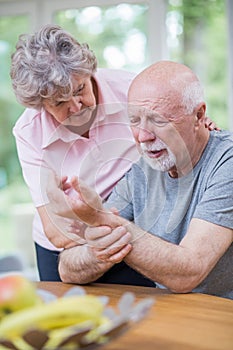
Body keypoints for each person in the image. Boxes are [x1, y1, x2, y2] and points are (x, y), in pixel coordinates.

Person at [11, 24, 217, 285]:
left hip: (131, 217)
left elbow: (184, 128)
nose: (76, 107)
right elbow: (55, 230)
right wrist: (101, 224)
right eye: (60, 103)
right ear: (41, 105)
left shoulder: (130, 88)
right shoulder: (29, 132)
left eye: (80, 90)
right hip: (72, 238)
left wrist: (199, 128)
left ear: (88, 73)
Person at [52, 61, 233, 299]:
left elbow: (190, 271)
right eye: (134, 120)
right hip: (174, 314)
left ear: (199, 115)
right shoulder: (142, 171)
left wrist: (99, 218)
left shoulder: (225, 161)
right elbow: (67, 268)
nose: (142, 136)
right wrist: (98, 250)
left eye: (158, 120)